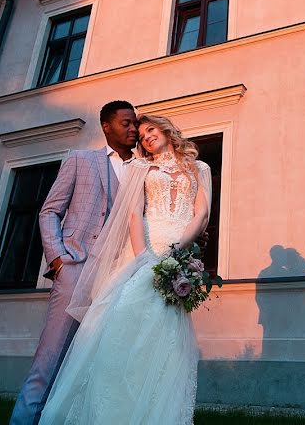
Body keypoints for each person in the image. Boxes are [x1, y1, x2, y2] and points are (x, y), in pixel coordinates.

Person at [38, 114, 212, 424]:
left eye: (150, 129)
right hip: (144, 251)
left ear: (166, 129)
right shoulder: (140, 168)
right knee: (123, 324)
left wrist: (177, 254)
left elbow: (201, 215)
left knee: (165, 333)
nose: (145, 137)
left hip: (177, 253)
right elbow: (133, 214)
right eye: (141, 134)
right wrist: (145, 256)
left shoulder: (200, 169)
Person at [9, 101, 139, 425]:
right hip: (75, 270)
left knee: (89, 366)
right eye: (126, 123)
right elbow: (48, 210)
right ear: (107, 126)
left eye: (135, 123)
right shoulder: (81, 160)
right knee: (49, 360)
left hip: (114, 280)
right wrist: (58, 260)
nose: (133, 128)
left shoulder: (142, 173)